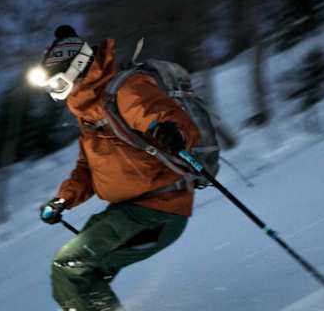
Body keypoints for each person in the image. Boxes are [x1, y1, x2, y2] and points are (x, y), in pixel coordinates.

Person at [31, 25, 201, 311]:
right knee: (83, 274)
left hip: (157, 210)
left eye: (57, 85)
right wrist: (63, 200)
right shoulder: (87, 113)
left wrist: (172, 133)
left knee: (69, 266)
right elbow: (87, 169)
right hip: (127, 213)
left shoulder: (125, 91)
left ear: (78, 67)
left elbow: (173, 120)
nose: (55, 95)